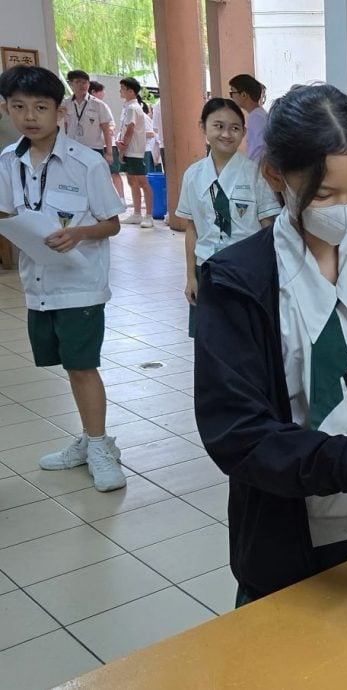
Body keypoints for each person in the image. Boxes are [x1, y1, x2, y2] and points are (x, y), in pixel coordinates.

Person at [194, 83, 347, 604]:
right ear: (275, 175)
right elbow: (237, 432)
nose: (343, 210)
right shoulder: (239, 283)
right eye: (324, 195)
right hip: (285, 538)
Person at [0, 66, 126, 491]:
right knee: (68, 368)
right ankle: (89, 439)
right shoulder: (7, 162)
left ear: (60, 113)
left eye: (40, 107)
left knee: (82, 366)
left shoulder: (86, 163)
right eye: (19, 107)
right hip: (38, 284)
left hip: (81, 282)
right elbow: (6, 215)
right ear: (7, 110)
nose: (29, 116)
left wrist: (78, 233)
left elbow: (111, 223)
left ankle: (100, 446)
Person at [176, 97, 280, 337]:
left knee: (245, 338)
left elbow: (268, 229)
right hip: (207, 268)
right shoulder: (193, 175)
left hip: (246, 270)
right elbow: (192, 229)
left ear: (243, 132)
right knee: (209, 340)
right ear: (203, 127)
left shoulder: (255, 174)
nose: (226, 134)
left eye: (235, 128)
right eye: (218, 126)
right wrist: (191, 277)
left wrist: (266, 276)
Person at [116, 77, 153, 228]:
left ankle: (148, 215)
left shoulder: (133, 108)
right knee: (131, 181)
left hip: (136, 151)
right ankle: (137, 213)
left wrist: (123, 147)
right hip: (130, 150)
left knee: (143, 182)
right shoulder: (127, 107)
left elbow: (130, 129)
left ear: (131, 91)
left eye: (122, 88)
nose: (120, 91)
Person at [63, 70, 113, 167]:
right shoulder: (66, 104)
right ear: (70, 83)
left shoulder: (98, 105)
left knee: (93, 178)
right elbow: (65, 127)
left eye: (85, 82)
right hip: (72, 148)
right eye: (78, 82)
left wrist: (109, 152)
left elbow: (106, 130)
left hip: (93, 148)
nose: (82, 85)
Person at [89, 80, 124, 200]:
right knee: (100, 175)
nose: (103, 94)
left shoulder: (103, 106)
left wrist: (110, 130)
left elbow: (112, 125)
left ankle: (121, 198)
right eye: (101, 92)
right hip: (94, 145)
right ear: (93, 92)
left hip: (109, 145)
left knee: (114, 172)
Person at [229, 74, 268, 163]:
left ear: (243, 95)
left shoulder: (256, 118)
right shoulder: (257, 115)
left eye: (232, 93)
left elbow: (258, 151)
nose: (231, 97)